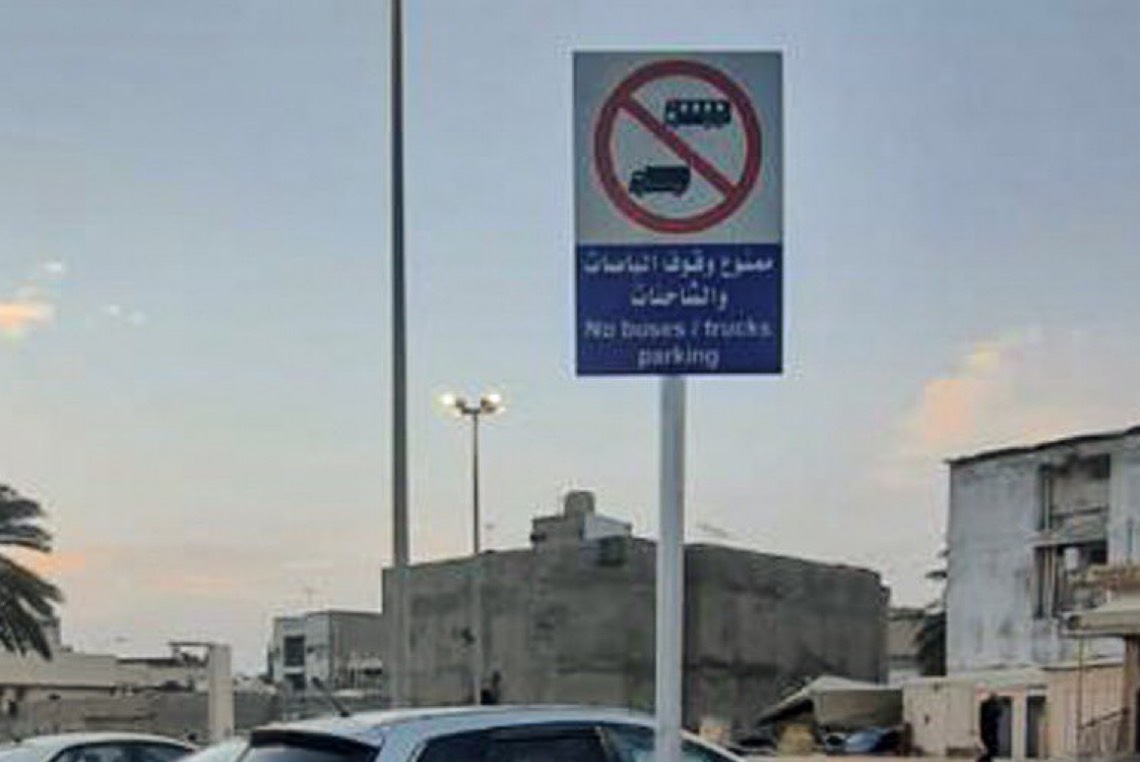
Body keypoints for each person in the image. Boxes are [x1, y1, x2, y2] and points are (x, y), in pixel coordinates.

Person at [978, 693, 1002, 762]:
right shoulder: (992, 708)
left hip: (987, 733)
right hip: (988, 733)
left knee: (988, 752)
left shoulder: (986, 706)